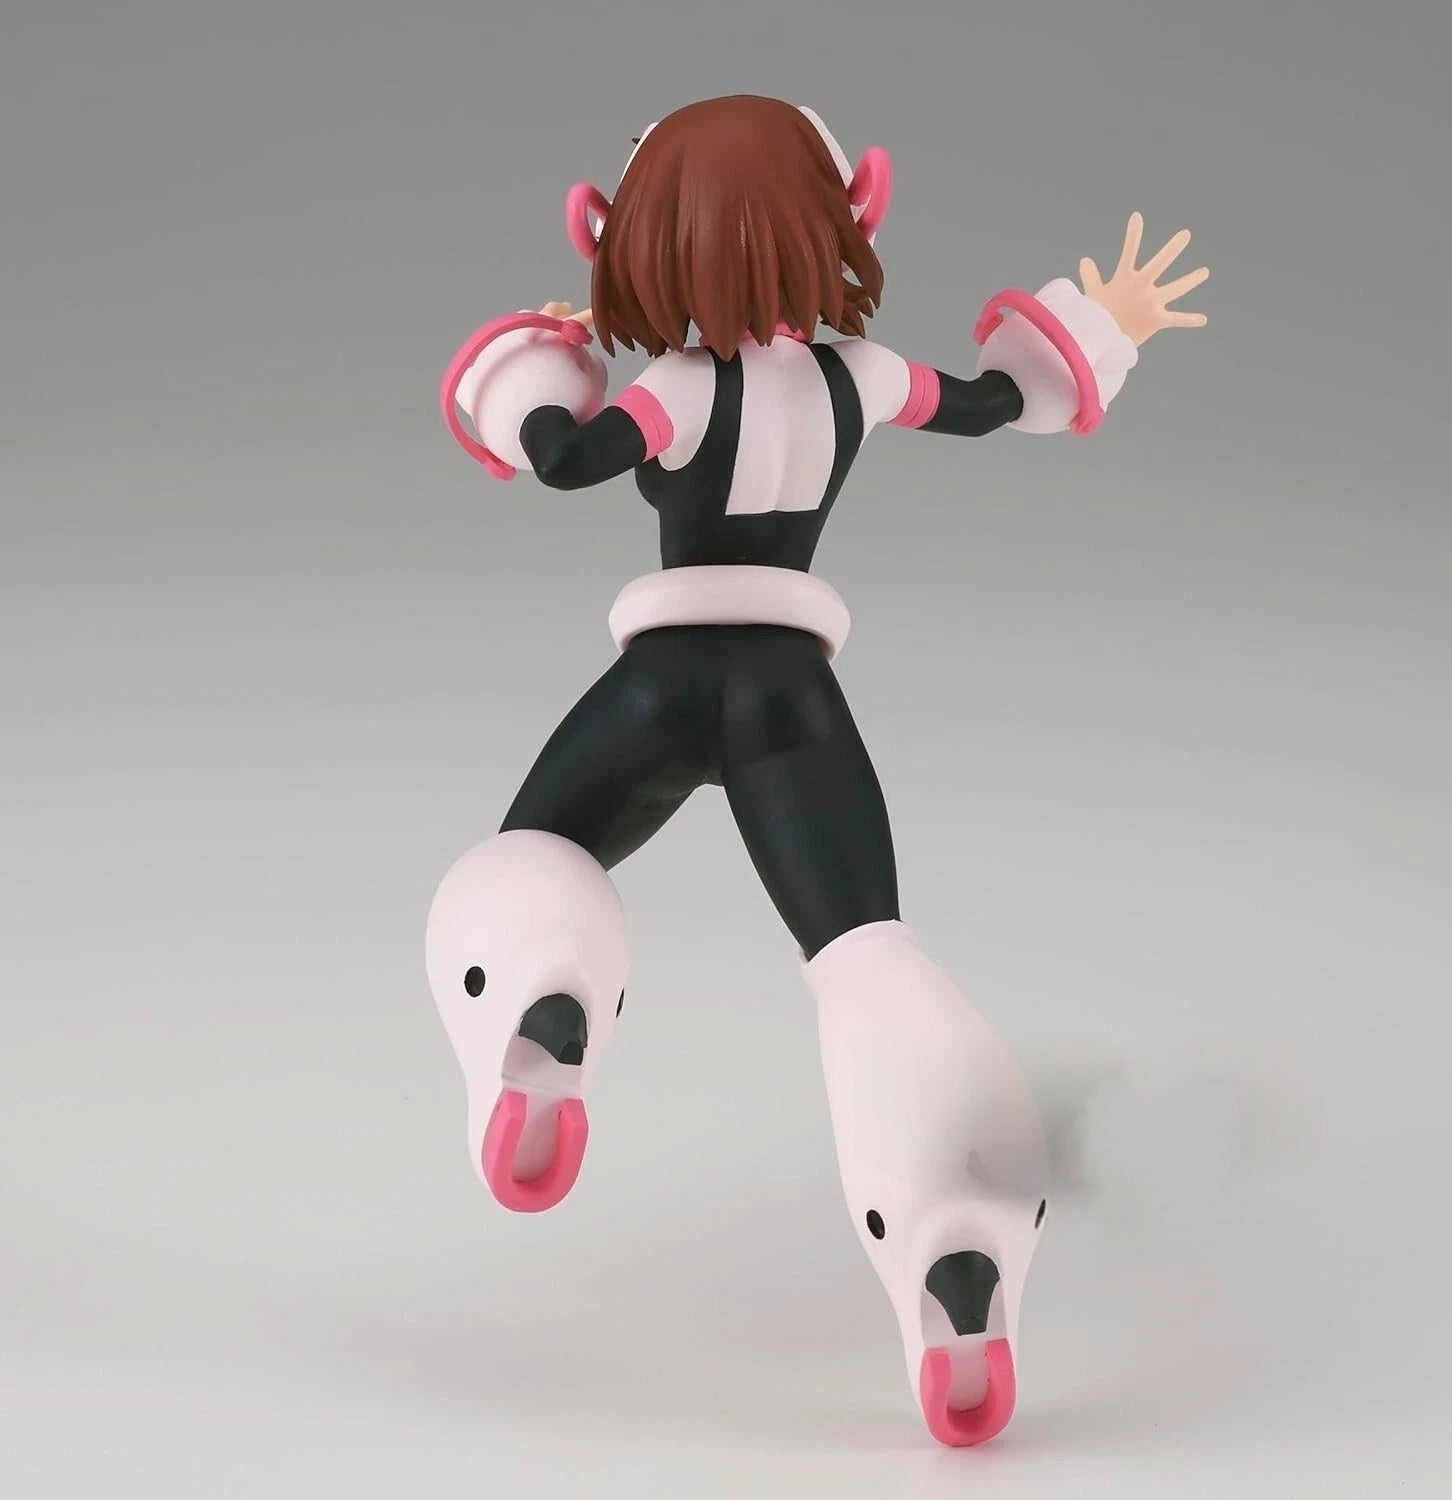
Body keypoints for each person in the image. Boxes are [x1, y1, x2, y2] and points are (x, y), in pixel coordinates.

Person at [426, 93, 1208, 1447]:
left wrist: (528, 373)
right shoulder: (862, 378)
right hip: (793, 701)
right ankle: (954, 1235)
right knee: (864, 956)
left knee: (537, 854)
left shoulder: (673, 392)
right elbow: (997, 402)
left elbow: (563, 462)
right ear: (859, 209)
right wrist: (1098, 329)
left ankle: (541, 1005)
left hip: (663, 684)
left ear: (616, 235)